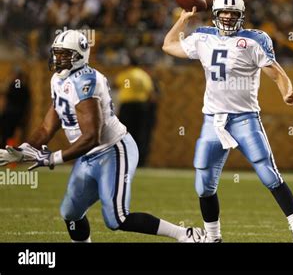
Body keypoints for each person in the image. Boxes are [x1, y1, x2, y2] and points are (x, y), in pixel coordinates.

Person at [0, 30, 205, 242]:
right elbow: (47, 127)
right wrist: (23, 150)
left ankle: (185, 234)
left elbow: (91, 137)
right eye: (56, 54)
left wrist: (53, 158)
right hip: (88, 156)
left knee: (117, 219)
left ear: (79, 56)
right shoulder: (57, 80)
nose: (57, 59)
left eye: (64, 55)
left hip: (113, 151)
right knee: (71, 214)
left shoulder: (85, 81)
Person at [162, 0, 293, 242]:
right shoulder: (202, 37)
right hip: (213, 121)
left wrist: (287, 93)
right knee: (203, 183)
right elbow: (168, 45)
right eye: (224, 12)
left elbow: (277, 74)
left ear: (242, 16)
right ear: (216, 14)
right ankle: (213, 237)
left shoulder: (254, 39)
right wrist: (184, 18)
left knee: (268, 174)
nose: (228, 17)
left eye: (234, 13)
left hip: (245, 118)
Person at [115, 55, 157, 166]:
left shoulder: (125, 74)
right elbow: (151, 93)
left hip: (127, 107)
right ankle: (140, 161)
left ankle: (125, 158)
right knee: (141, 133)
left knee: (125, 133)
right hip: (141, 107)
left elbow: (116, 85)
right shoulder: (144, 75)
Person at [0, 68, 31, 148]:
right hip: (12, 115)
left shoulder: (18, 84)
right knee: (6, 136)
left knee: (10, 136)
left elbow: (16, 90)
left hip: (14, 115)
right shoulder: (19, 85)